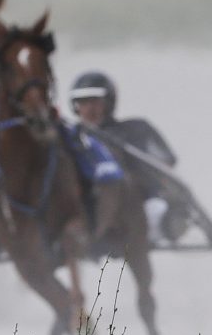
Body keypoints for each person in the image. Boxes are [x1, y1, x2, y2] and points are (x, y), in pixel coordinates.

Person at [67, 70, 184, 242]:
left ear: (108, 103)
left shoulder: (136, 129)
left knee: (157, 213)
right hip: (89, 206)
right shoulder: (72, 137)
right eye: (83, 102)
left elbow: (166, 162)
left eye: (95, 102)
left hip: (141, 201)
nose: (89, 108)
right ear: (75, 106)